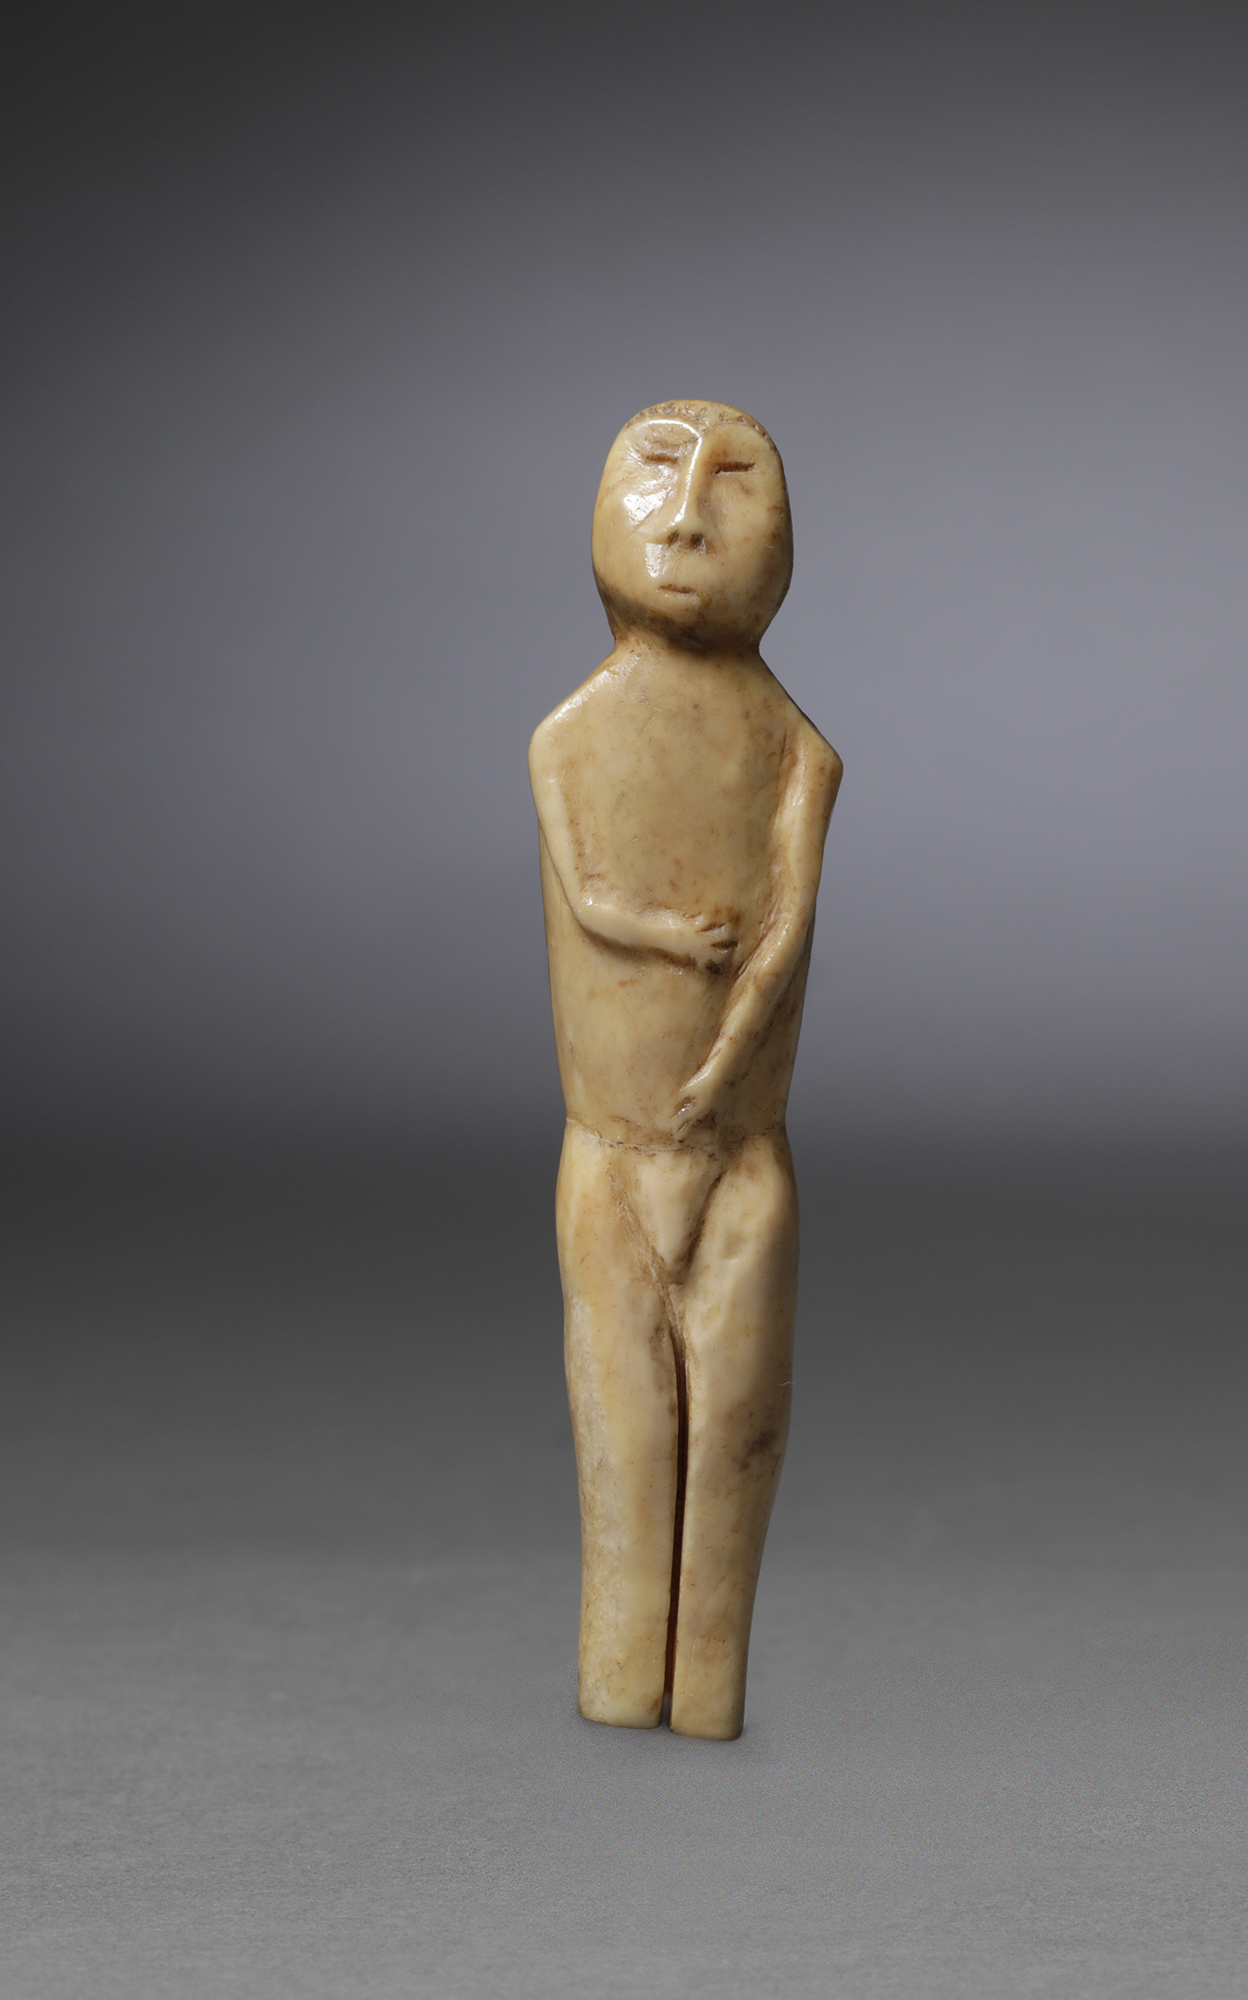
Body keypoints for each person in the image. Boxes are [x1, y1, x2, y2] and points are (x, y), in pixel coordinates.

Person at [529, 400, 842, 1739]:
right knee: (624, 1433)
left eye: (735, 484)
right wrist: (674, 951)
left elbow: (785, 930)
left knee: (734, 1438)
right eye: (656, 472)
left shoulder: (795, 751)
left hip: (742, 1156)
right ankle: (621, 1678)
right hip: (605, 1151)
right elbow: (589, 896)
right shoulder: (570, 737)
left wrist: (721, 1074)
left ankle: (703, 1688)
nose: (689, 520)